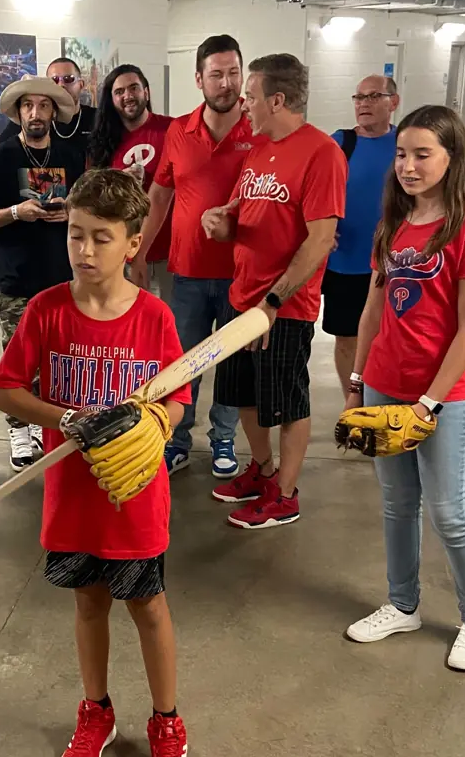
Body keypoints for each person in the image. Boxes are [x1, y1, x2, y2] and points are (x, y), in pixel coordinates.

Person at [0, 168, 194, 757]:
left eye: (101, 238)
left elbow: (178, 396)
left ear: (132, 244)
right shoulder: (47, 311)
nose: (84, 250)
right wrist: (67, 419)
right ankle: (96, 711)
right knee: (88, 603)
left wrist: (156, 420)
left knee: (147, 606)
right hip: (73, 498)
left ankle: (166, 725)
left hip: (134, 498)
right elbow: (3, 389)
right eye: (76, 235)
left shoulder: (155, 317)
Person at [342, 104, 465, 671]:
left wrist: (431, 403)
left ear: (452, 157)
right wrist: (358, 384)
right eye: (402, 155)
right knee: (396, 504)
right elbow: (372, 310)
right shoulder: (393, 224)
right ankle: (402, 604)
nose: (408, 166)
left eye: (422, 154)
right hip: (385, 384)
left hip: (444, 395)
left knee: (449, 511)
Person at [202, 53, 346, 530]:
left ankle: (285, 493)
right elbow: (241, 222)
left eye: (252, 97)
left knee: (287, 402)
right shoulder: (258, 149)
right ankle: (262, 471)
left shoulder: (321, 153)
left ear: (277, 100)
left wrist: (274, 302)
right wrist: (218, 224)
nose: (244, 104)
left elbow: (321, 239)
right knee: (241, 395)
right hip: (243, 297)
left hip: (283, 308)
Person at [130, 35, 252, 479]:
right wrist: (140, 250)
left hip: (243, 274)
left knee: (234, 365)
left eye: (233, 73)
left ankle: (223, 437)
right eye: (216, 74)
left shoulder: (258, 131)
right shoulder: (179, 132)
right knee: (184, 363)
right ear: (199, 79)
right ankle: (178, 439)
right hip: (187, 273)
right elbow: (159, 197)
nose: (226, 83)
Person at [0, 75, 85, 470]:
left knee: (57, 359)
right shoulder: (0, 158)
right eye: (28, 106)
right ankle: (19, 429)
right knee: (19, 359)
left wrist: (70, 212)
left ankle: (45, 423)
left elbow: (86, 207)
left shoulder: (73, 156)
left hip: (62, 277)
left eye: (43, 105)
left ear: (53, 111)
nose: (35, 113)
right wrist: (15, 213)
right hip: (15, 279)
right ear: (18, 112)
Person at [323, 75, 400, 399]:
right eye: (359, 98)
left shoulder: (405, 144)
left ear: (393, 102)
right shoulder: (339, 143)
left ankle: (384, 399)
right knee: (347, 338)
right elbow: (310, 192)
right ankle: (353, 400)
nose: (364, 104)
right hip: (346, 263)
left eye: (373, 97)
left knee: (390, 336)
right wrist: (320, 228)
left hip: (394, 262)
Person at [87, 62, 173, 296]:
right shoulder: (104, 142)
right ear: (111, 99)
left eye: (134, 88)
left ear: (146, 91)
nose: (128, 96)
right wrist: (117, 182)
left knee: (171, 327)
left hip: (170, 252)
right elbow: (92, 197)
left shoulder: (172, 130)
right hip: (122, 253)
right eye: (119, 92)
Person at [0, 56, 97, 170]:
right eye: (54, 80)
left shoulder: (98, 118)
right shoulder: (31, 121)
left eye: (68, 78)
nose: (61, 85)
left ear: (81, 84)